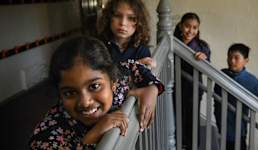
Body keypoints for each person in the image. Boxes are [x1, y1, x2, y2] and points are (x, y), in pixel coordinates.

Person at [29, 36, 164, 149]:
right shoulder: (47, 137)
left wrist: (152, 88)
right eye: (70, 93)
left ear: (113, 83)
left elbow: (132, 66)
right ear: (59, 93)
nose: (85, 102)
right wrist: (90, 140)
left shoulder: (119, 86)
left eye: (94, 86)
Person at [174, 12, 212, 149]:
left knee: (192, 120)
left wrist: (204, 59)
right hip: (174, 87)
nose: (190, 30)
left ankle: (192, 146)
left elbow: (208, 68)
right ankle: (178, 144)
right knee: (176, 118)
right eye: (187, 26)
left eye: (195, 27)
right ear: (180, 26)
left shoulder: (202, 46)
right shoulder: (172, 41)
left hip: (193, 89)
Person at [97, 0, 156, 68]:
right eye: (117, 15)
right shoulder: (99, 45)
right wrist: (133, 66)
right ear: (109, 17)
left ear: (139, 22)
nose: (123, 23)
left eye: (131, 18)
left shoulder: (142, 49)